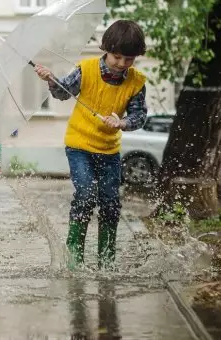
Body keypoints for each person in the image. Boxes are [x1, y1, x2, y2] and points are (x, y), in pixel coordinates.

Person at [34, 19, 148, 270]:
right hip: (79, 145)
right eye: (117, 57)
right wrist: (51, 79)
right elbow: (62, 92)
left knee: (110, 202)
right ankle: (75, 260)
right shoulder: (85, 70)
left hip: (109, 150)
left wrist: (123, 122)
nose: (122, 64)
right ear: (106, 49)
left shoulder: (137, 82)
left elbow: (140, 116)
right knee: (85, 195)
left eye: (129, 59)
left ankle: (106, 262)